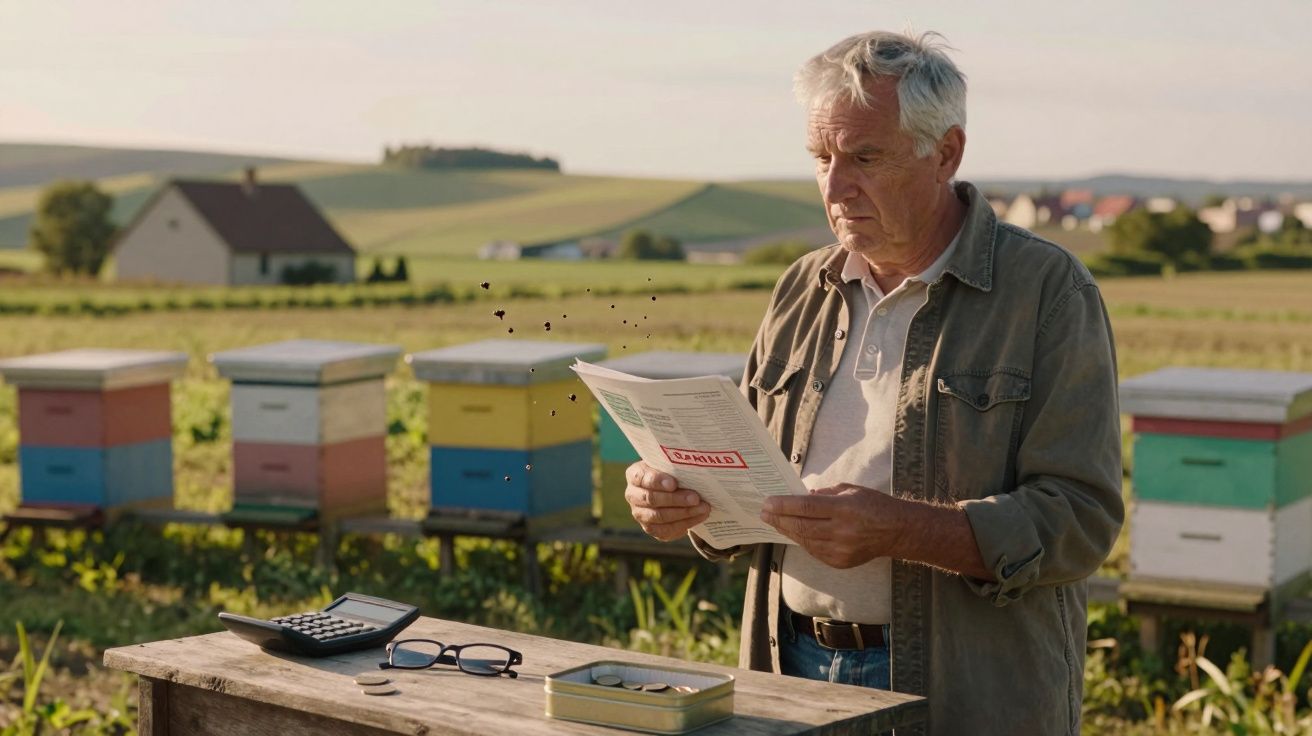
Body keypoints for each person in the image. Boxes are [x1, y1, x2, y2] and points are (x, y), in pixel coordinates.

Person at [623, 30, 1123, 736]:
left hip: (967, 694)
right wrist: (682, 499)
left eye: (863, 157)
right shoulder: (802, 286)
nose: (833, 185)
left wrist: (903, 530)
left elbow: (1081, 520)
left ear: (945, 152)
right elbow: (753, 479)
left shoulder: (1046, 292)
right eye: (821, 158)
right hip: (787, 668)